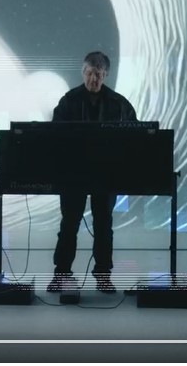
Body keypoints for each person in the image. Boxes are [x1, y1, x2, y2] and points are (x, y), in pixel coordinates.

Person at [47, 51, 137, 294]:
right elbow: (53, 137)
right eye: (89, 73)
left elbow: (134, 138)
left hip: (107, 175)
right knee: (69, 224)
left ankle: (103, 275)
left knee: (103, 225)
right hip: (73, 175)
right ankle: (61, 274)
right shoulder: (68, 101)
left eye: (98, 74)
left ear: (105, 75)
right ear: (82, 72)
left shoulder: (119, 104)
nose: (93, 79)